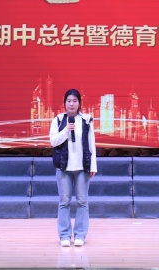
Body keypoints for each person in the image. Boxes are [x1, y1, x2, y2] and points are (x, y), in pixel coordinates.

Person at [49, 88, 97, 247]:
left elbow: (91, 144)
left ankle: (80, 235)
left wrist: (93, 165)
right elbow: (53, 141)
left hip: (82, 167)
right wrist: (65, 131)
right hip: (63, 168)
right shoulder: (58, 120)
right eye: (69, 101)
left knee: (82, 202)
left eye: (74, 101)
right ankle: (64, 235)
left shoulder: (86, 120)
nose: (71, 104)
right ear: (64, 103)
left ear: (79, 103)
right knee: (64, 202)